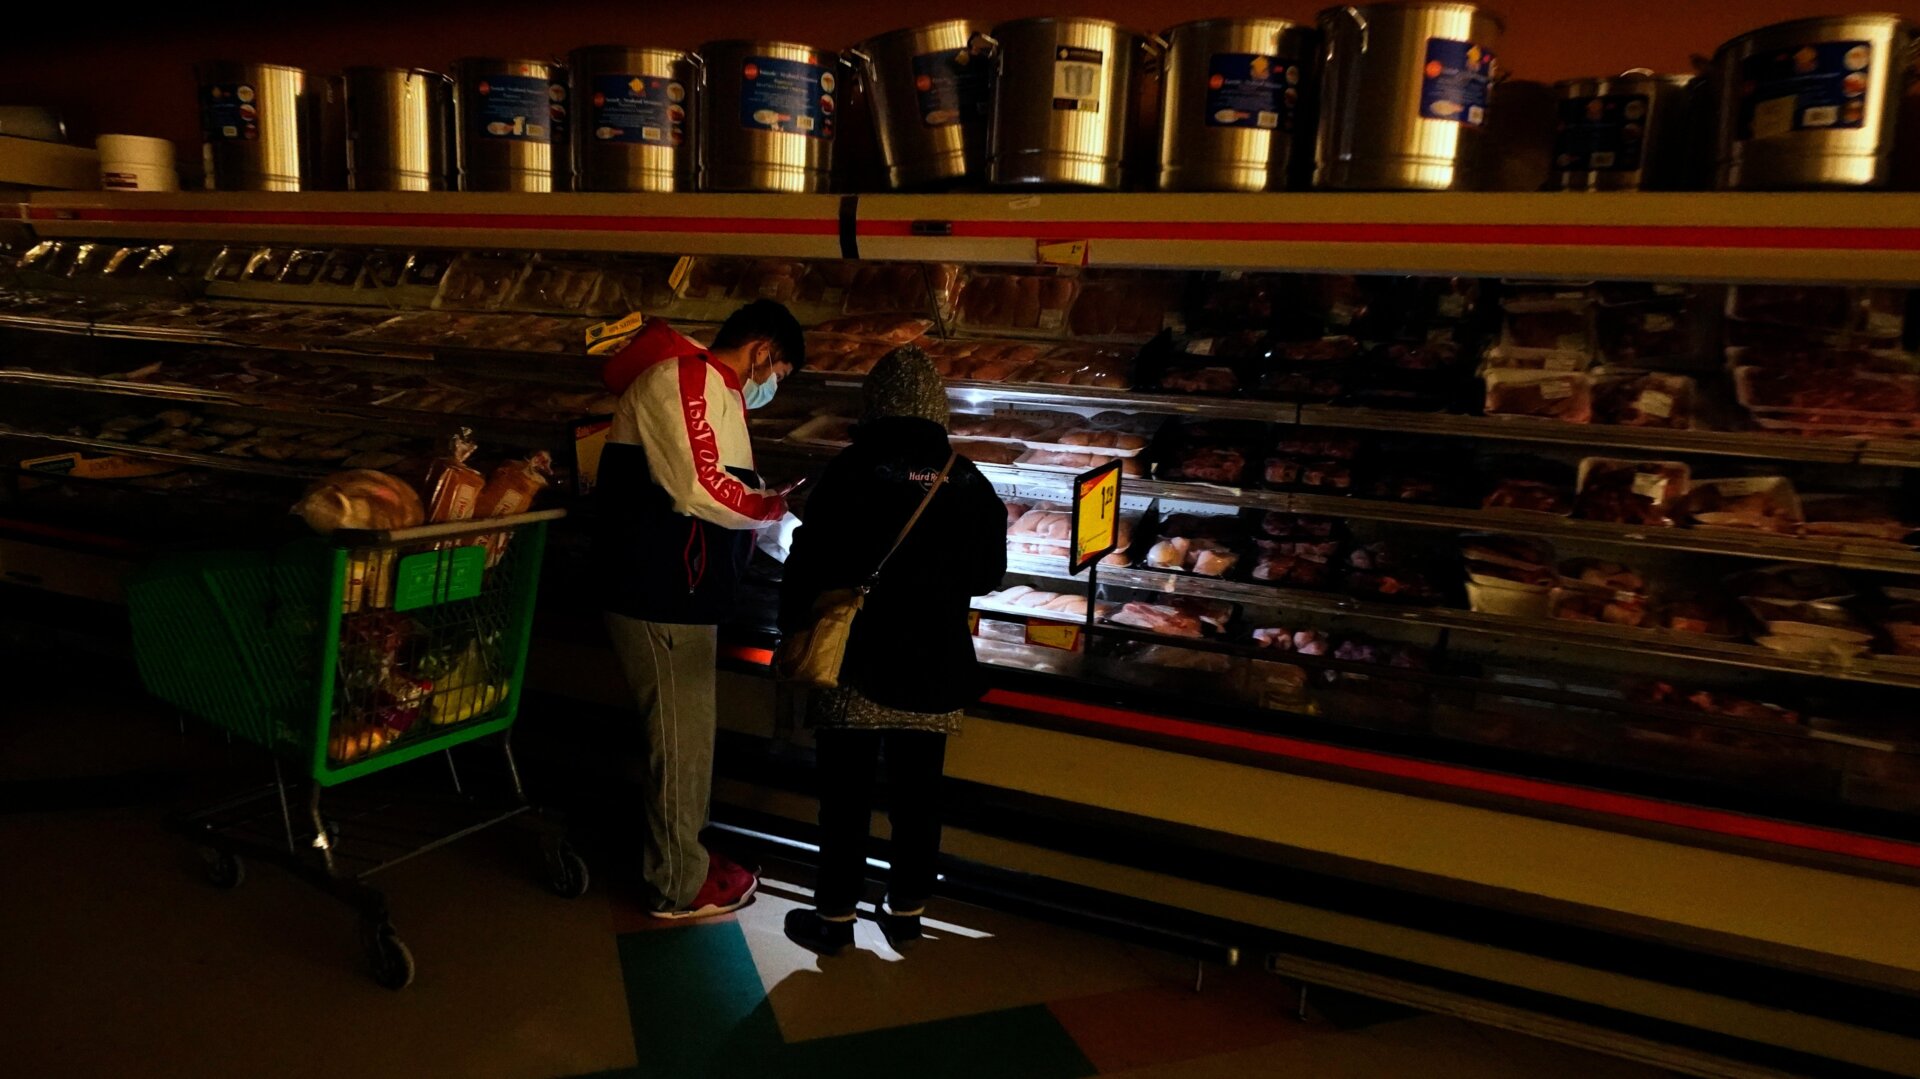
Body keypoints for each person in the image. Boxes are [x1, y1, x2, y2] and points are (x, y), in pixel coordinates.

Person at [777, 346, 1007, 955]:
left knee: (845, 797)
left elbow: (809, 556)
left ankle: (833, 921)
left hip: (856, 658)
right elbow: (990, 573)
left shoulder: (851, 469)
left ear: (875, 402)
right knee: (918, 798)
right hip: (936, 663)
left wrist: (791, 625)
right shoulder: (967, 477)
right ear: (938, 406)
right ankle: (906, 911)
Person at [597, 299, 805, 919]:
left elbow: (732, 489)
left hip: (685, 592)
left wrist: (793, 538)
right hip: (657, 591)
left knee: (690, 738)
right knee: (680, 742)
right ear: (764, 349)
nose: (773, 385)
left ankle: (685, 854)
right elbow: (698, 487)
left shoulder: (718, 393)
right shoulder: (684, 377)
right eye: (781, 372)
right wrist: (772, 511)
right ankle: (676, 885)